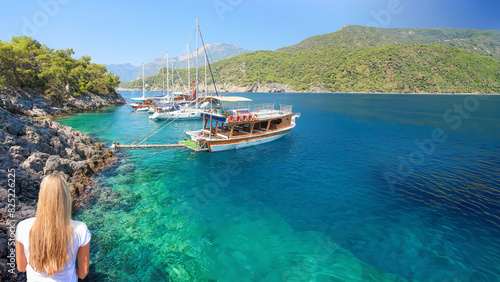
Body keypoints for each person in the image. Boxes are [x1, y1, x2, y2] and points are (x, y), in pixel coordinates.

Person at [15, 173, 91, 281]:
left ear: (41, 196)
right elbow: (83, 273)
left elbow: (21, 267)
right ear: (66, 198)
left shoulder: (23, 227)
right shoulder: (80, 229)